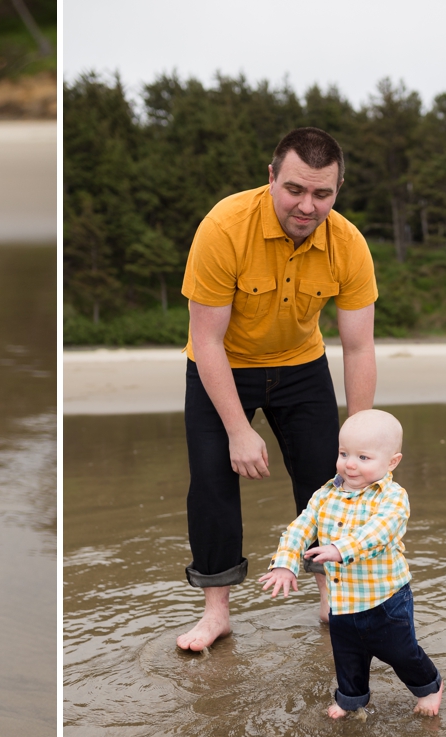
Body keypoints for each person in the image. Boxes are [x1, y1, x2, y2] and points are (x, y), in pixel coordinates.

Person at [176, 126, 379, 652]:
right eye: (295, 189)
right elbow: (207, 339)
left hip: (301, 365)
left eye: (322, 193)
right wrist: (238, 431)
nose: (307, 206)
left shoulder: (349, 244)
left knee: (330, 481)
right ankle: (216, 613)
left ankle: (332, 600)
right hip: (223, 364)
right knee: (213, 482)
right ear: (271, 177)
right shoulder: (224, 227)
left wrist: (361, 439)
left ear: (338, 190)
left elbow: (358, 347)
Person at [259, 410, 443, 717]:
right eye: (344, 453)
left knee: (401, 653)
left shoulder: (392, 497)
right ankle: (350, 700)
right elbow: (300, 527)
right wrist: (285, 563)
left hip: (386, 599)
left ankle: (429, 687)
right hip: (343, 601)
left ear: (392, 462)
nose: (350, 464)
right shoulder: (325, 495)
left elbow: (379, 532)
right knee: (347, 656)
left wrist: (339, 549)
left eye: (363, 457)